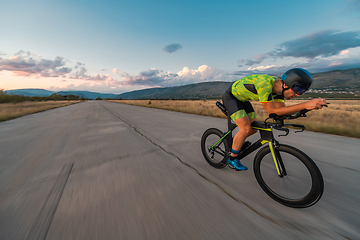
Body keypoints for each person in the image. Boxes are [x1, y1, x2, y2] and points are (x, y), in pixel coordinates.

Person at [222, 68, 327, 171]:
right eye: (297, 89)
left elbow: (281, 111)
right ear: (286, 84)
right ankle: (232, 158)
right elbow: (272, 111)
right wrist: (306, 104)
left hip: (243, 100)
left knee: (254, 128)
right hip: (231, 98)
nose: (297, 94)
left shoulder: (279, 91)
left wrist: (305, 109)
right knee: (245, 128)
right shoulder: (265, 84)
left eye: (302, 91)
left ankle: (235, 142)